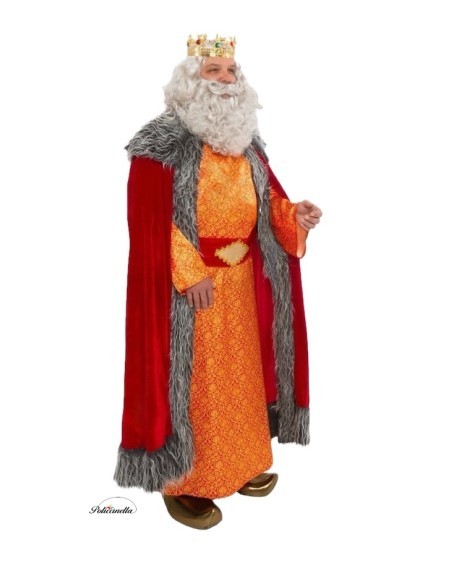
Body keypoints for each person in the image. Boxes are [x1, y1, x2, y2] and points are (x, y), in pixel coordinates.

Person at [113, 34, 323, 530]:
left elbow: (268, 204)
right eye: (214, 71)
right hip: (192, 291)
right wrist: (189, 272)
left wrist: (294, 215)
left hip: (242, 285)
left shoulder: (247, 146)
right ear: (191, 81)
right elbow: (149, 220)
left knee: (242, 378)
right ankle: (186, 481)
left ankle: (242, 462)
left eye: (231, 72)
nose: (226, 80)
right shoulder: (160, 145)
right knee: (196, 383)